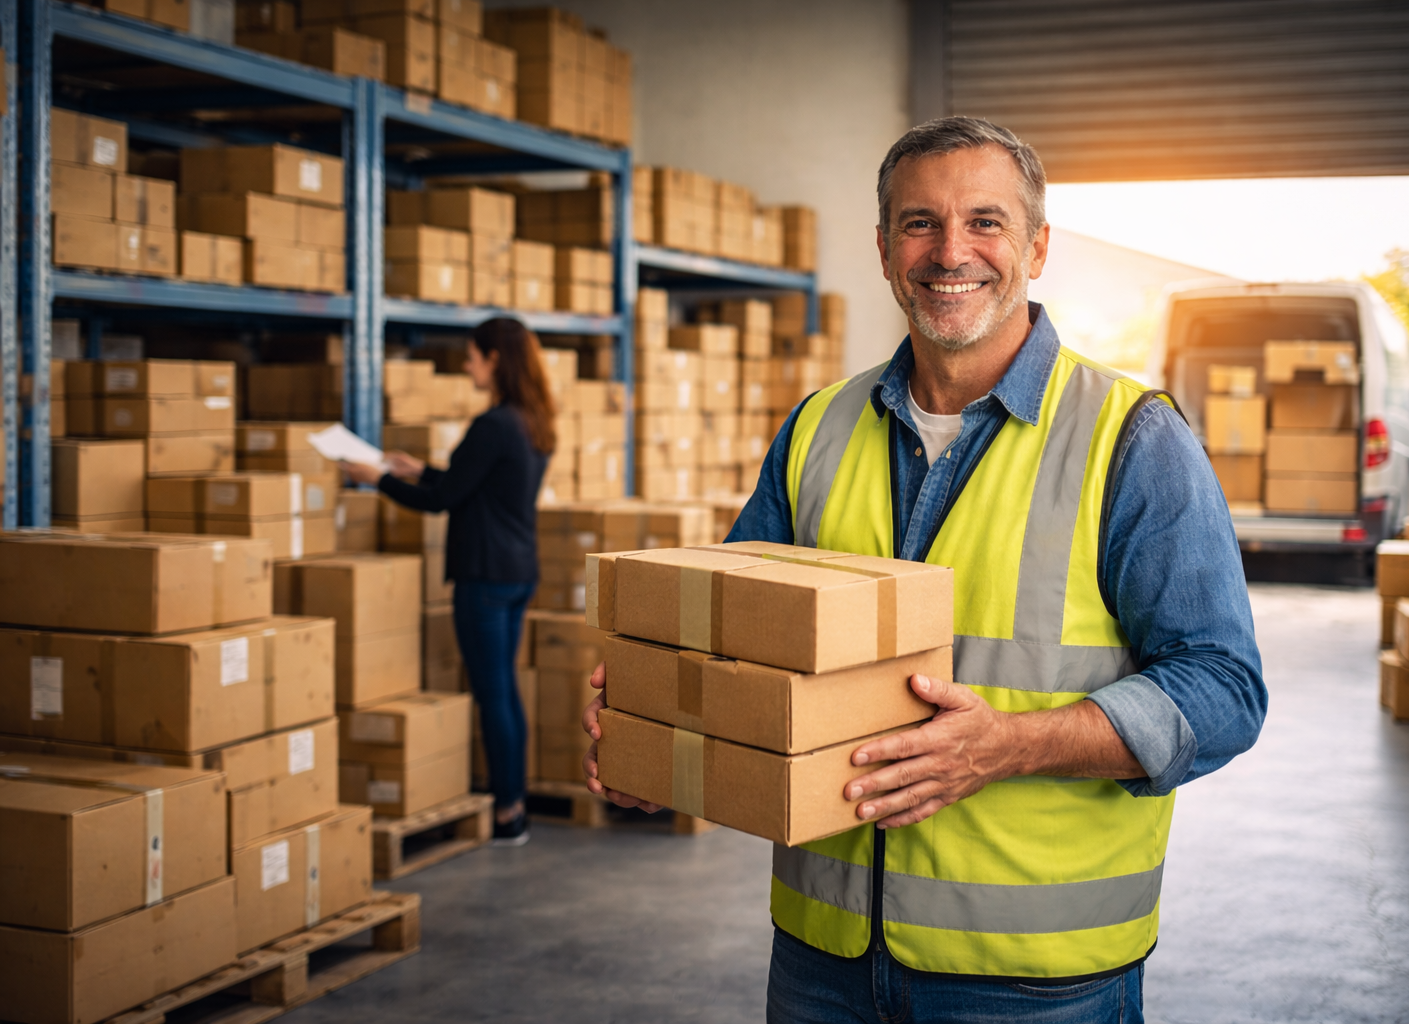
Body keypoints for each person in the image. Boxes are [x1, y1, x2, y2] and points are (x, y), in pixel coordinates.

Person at [581, 117, 1268, 1021]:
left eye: (985, 222)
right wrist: (658, 738)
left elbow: (1223, 691)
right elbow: (738, 643)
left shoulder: (1131, 438)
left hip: (1031, 980)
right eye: (919, 223)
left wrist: (1011, 746)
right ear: (881, 248)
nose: (952, 252)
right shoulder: (817, 428)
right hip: (824, 961)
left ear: (1037, 246)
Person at [342, 317, 554, 846]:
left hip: (484, 576)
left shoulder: (494, 424)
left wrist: (381, 480)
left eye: (472, 356)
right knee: (503, 689)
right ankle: (516, 806)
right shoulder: (532, 423)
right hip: (517, 570)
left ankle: (507, 811)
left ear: (495, 359)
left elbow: (445, 500)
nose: (467, 366)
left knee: (493, 693)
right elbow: (471, 485)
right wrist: (418, 469)